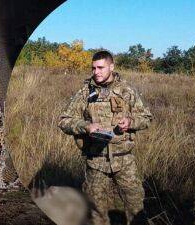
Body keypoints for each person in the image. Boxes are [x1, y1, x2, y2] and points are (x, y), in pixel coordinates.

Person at [58, 51, 153, 225]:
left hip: (124, 160)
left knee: (136, 208)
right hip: (95, 162)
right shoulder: (84, 92)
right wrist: (85, 126)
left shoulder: (127, 91)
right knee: (96, 212)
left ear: (112, 67)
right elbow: (64, 121)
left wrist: (130, 121)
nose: (96, 72)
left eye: (101, 67)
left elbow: (147, 118)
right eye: (93, 68)